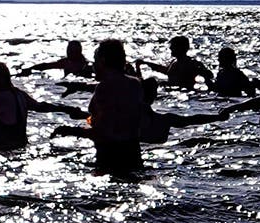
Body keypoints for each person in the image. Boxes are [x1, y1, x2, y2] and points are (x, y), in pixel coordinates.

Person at [74, 39, 224, 173]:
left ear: (103, 61)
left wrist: (72, 131)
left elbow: (106, 129)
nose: (93, 65)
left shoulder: (104, 88)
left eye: (95, 60)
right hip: (133, 154)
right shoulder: (135, 85)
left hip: (110, 156)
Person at [142, 36, 207, 89]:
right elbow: (167, 71)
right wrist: (147, 64)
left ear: (180, 48)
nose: (170, 48)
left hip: (183, 92)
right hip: (174, 90)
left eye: (173, 47)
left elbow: (208, 74)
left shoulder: (191, 63)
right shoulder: (175, 62)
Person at [28, 40, 92, 77]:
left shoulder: (86, 65)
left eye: (73, 50)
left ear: (79, 51)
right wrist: (30, 69)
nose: (69, 52)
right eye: (69, 50)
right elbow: (47, 66)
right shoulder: (65, 62)